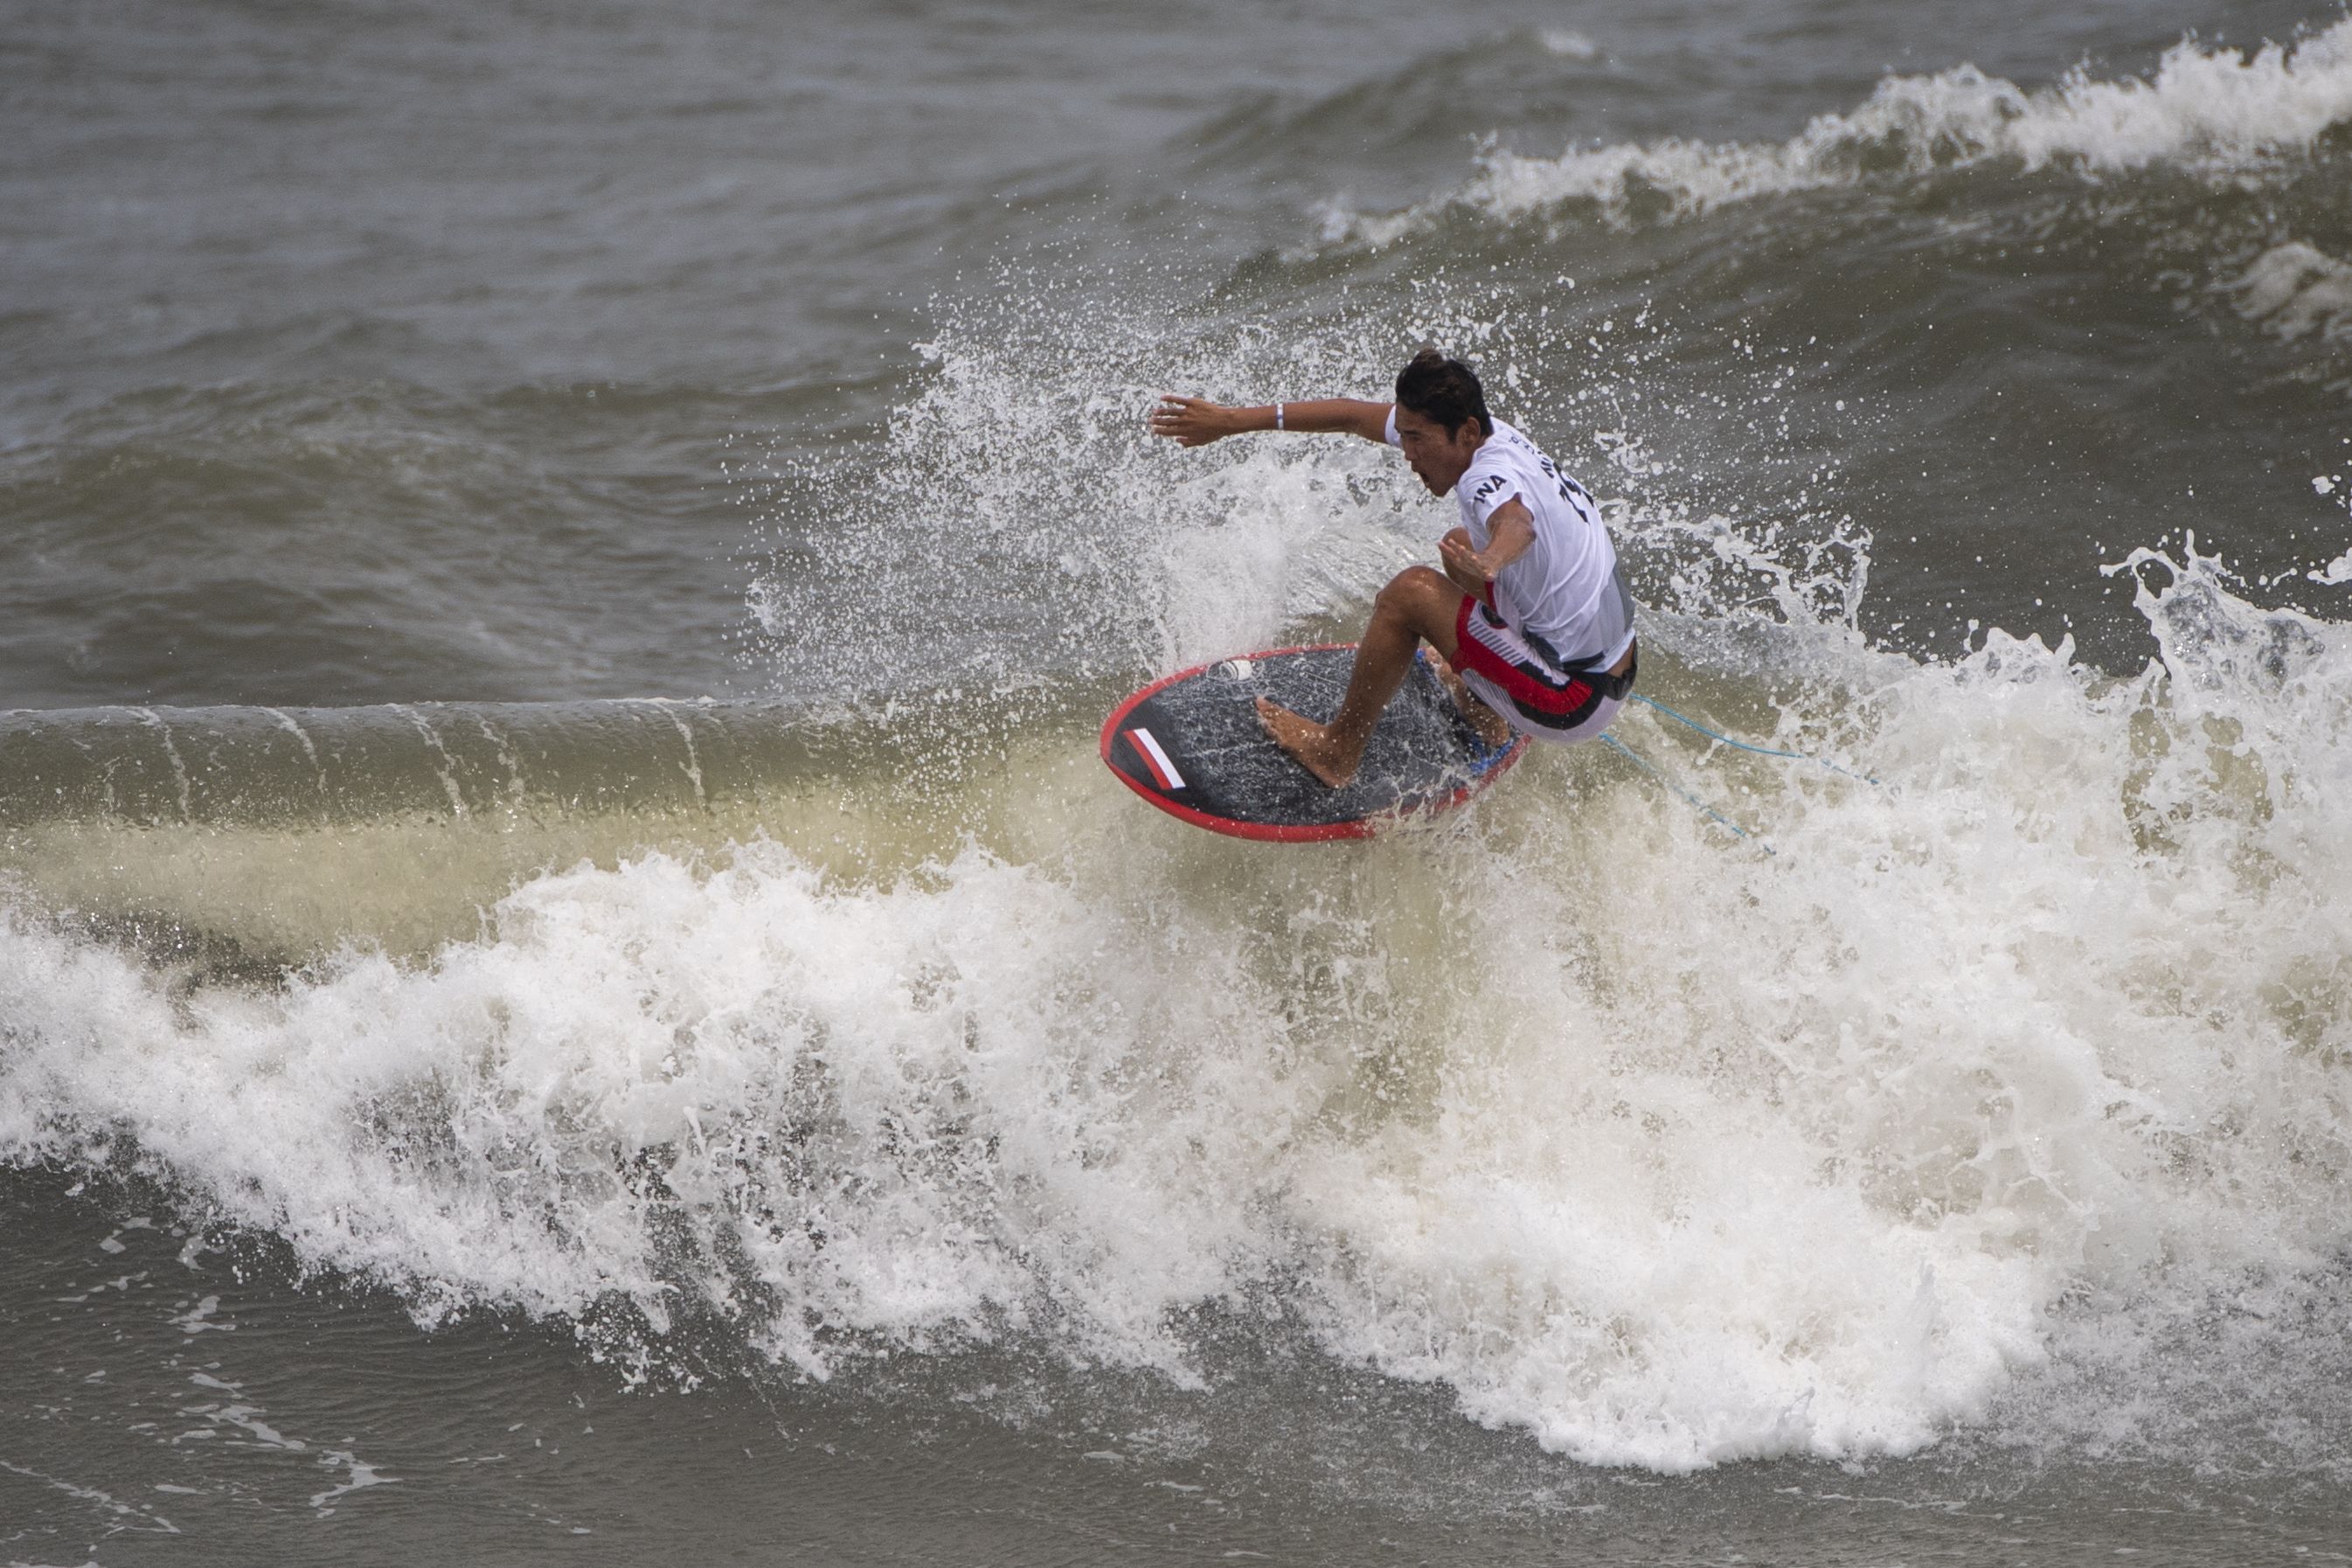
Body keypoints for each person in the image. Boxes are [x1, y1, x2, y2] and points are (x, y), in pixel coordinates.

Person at [1148, 349, 1637, 788]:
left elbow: (1517, 524)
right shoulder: (1495, 436)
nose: (1407, 454)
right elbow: (1349, 415)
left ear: (1465, 432)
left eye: (1417, 439)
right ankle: (1488, 708)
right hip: (1611, 664)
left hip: (1569, 699)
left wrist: (1493, 559)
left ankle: (1337, 752)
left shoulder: (1486, 479)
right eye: (1403, 436)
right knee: (1458, 546)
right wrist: (1230, 421)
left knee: (1412, 593)